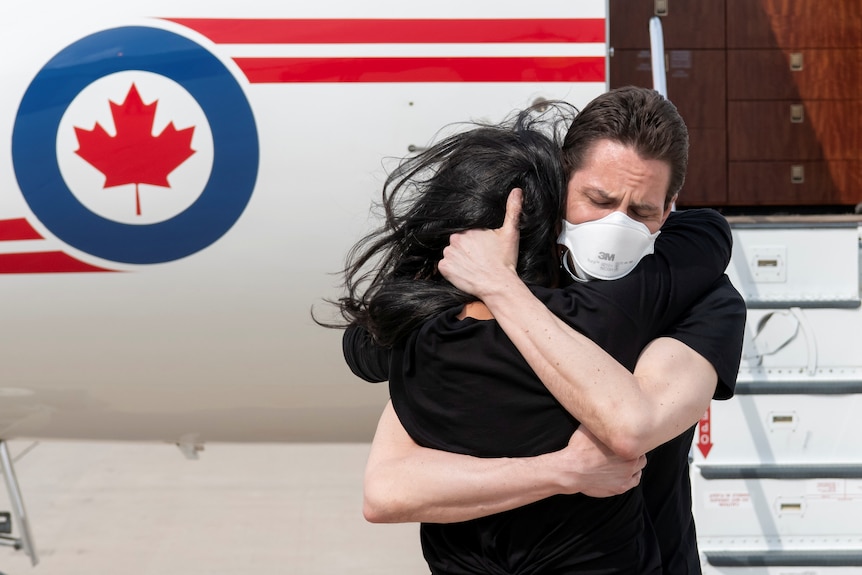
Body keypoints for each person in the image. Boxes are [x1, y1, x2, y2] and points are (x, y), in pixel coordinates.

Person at [331, 93, 743, 572]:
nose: (617, 225)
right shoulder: (503, 286)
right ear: (562, 182)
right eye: (599, 200)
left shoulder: (704, 300)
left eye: (642, 211)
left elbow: (633, 426)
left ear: (670, 209)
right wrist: (558, 473)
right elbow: (389, 489)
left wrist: (500, 287)